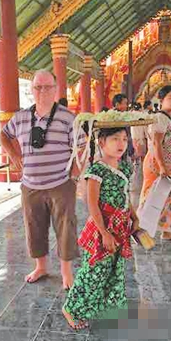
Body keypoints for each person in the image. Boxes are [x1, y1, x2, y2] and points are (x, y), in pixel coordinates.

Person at [0, 70, 86, 289]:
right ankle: (41, 266)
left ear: (56, 89)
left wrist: (74, 177)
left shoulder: (68, 117)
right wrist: (13, 154)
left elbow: (83, 147)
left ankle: (66, 272)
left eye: (47, 87)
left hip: (60, 183)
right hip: (30, 185)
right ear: (31, 90)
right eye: (38, 87)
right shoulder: (20, 118)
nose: (42, 91)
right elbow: (3, 134)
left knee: (66, 227)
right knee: (34, 226)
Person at [62, 127, 138, 329]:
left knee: (114, 270)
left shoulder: (125, 167)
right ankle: (71, 308)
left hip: (120, 227)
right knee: (93, 271)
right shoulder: (96, 170)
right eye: (115, 139)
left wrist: (134, 216)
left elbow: (125, 196)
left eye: (124, 139)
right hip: (101, 230)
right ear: (102, 142)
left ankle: (110, 310)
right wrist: (104, 232)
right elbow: (92, 204)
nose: (121, 144)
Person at [139, 85, 171, 241]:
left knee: (168, 198)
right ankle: (139, 230)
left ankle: (166, 230)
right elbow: (156, 144)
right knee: (150, 198)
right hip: (158, 166)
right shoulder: (160, 117)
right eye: (169, 97)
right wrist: (161, 166)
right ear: (161, 100)